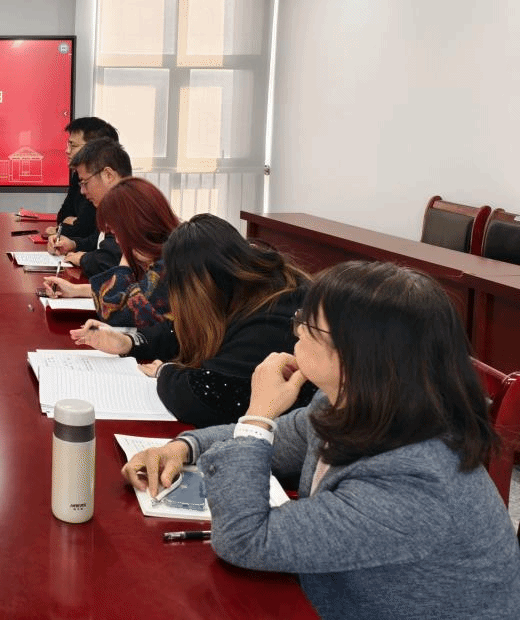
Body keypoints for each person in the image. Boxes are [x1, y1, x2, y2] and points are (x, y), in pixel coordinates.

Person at [122, 261, 520, 620]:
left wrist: (258, 414)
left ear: (357, 355)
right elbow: (283, 440)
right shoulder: (355, 402)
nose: (295, 330)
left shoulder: (412, 483)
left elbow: (243, 539)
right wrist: (183, 447)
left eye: (308, 325)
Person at [71, 213, 314, 426]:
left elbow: (204, 396)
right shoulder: (239, 289)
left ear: (198, 286)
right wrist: (129, 342)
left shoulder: (271, 317)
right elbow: (186, 328)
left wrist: (165, 372)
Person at [42, 177, 178, 328]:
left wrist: (125, 259)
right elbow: (132, 289)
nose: (117, 241)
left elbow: (113, 310)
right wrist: (75, 290)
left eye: (117, 232)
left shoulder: (167, 266)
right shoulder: (159, 253)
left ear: (137, 223)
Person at [46, 137, 130, 276]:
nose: (82, 191)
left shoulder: (129, 207)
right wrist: (73, 244)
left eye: (85, 183)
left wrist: (83, 259)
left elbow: (109, 260)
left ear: (108, 175)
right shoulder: (113, 205)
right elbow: (97, 241)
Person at [45, 116, 118, 242]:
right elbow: (62, 216)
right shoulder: (78, 175)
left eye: (73, 145)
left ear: (94, 148)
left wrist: (67, 225)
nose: (67, 151)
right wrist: (71, 223)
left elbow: (83, 230)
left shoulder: (104, 182)